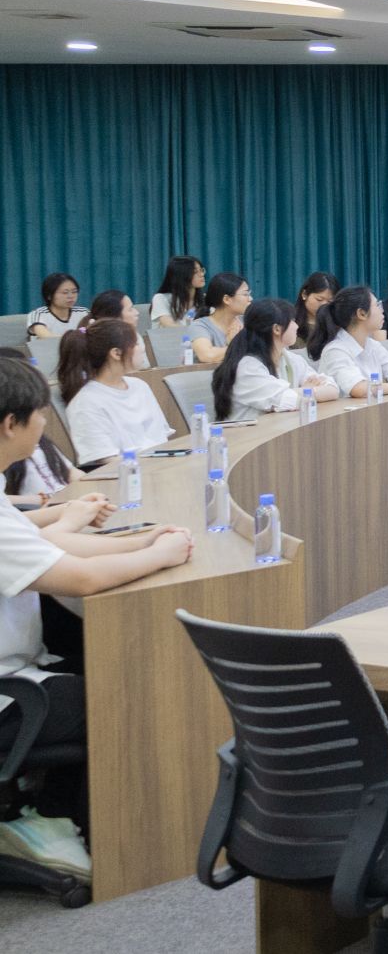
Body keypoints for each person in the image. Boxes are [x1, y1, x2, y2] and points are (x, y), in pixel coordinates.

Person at [0, 356, 195, 870]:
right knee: (124, 690)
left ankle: (48, 810)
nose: (46, 423)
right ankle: (53, 818)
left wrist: (142, 540)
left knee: (108, 662)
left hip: (17, 670)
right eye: (41, 413)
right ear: (11, 424)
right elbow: (80, 578)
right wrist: (159, 556)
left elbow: (48, 546)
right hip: (9, 692)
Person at [56, 322, 169, 468]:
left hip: (160, 466)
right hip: (128, 474)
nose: (142, 349)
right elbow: (107, 460)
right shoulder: (85, 402)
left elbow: (161, 437)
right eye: (135, 344)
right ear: (116, 353)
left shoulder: (140, 386)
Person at [212, 299, 337, 422]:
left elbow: (333, 389)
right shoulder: (248, 367)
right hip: (247, 434)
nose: (297, 326)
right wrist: (306, 392)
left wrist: (306, 392)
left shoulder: (291, 358)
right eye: (292, 321)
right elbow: (289, 401)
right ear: (277, 329)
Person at [0, 348, 82, 504]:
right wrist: (38, 501)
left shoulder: (39, 441)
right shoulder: (11, 450)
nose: (44, 422)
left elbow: (69, 471)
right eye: (40, 414)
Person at [310, 287, 388, 399]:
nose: (382, 310)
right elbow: (359, 389)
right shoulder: (335, 350)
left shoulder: (372, 345)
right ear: (362, 314)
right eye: (377, 305)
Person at [190, 273, 251, 365]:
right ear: (227, 299)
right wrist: (234, 345)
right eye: (245, 294)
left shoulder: (247, 322)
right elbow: (207, 355)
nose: (250, 299)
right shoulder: (200, 326)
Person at [78, 290, 150, 367]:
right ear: (115, 317)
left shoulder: (135, 335)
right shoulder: (100, 343)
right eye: (130, 309)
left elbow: (145, 367)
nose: (137, 313)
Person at [147, 256, 205, 327]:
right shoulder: (161, 298)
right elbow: (170, 326)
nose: (202, 274)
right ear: (181, 275)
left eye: (201, 270)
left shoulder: (204, 299)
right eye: (195, 272)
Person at [25, 274, 83, 340]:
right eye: (65, 292)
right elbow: (47, 337)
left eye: (74, 292)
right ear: (49, 296)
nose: (71, 296)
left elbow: (89, 333)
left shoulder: (83, 312)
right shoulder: (38, 314)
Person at [291, 272, 338, 344]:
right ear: (304, 294)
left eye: (330, 301)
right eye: (319, 299)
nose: (324, 305)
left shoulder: (338, 324)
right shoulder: (291, 322)